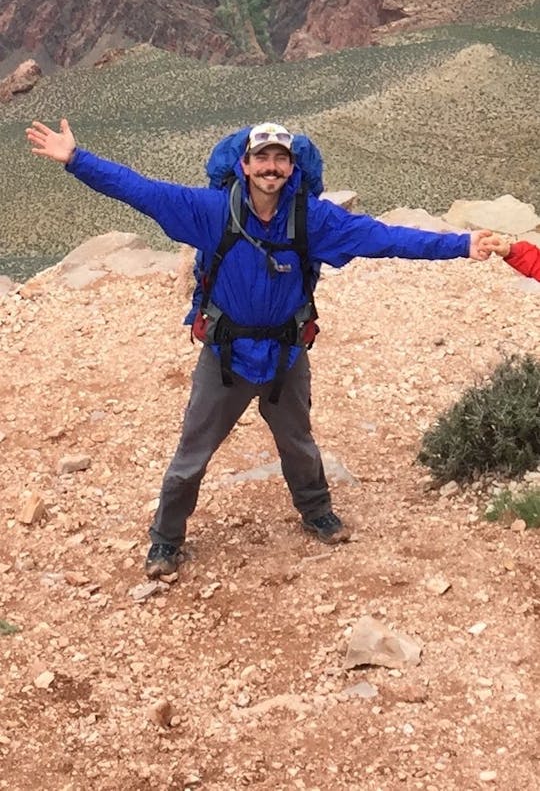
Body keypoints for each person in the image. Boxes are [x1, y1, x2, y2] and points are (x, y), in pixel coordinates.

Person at [26, 117, 495, 578]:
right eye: (262, 158)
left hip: (287, 354)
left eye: (280, 159)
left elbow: (387, 239)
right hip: (225, 357)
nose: (271, 166)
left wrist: (461, 243)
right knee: (192, 455)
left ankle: (316, 511)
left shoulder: (314, 219)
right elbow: (140, 190)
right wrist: (75, 159)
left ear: (292, 168)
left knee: (298, 443)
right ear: (245, 165)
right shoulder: (211, 212)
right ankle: (166, 539)